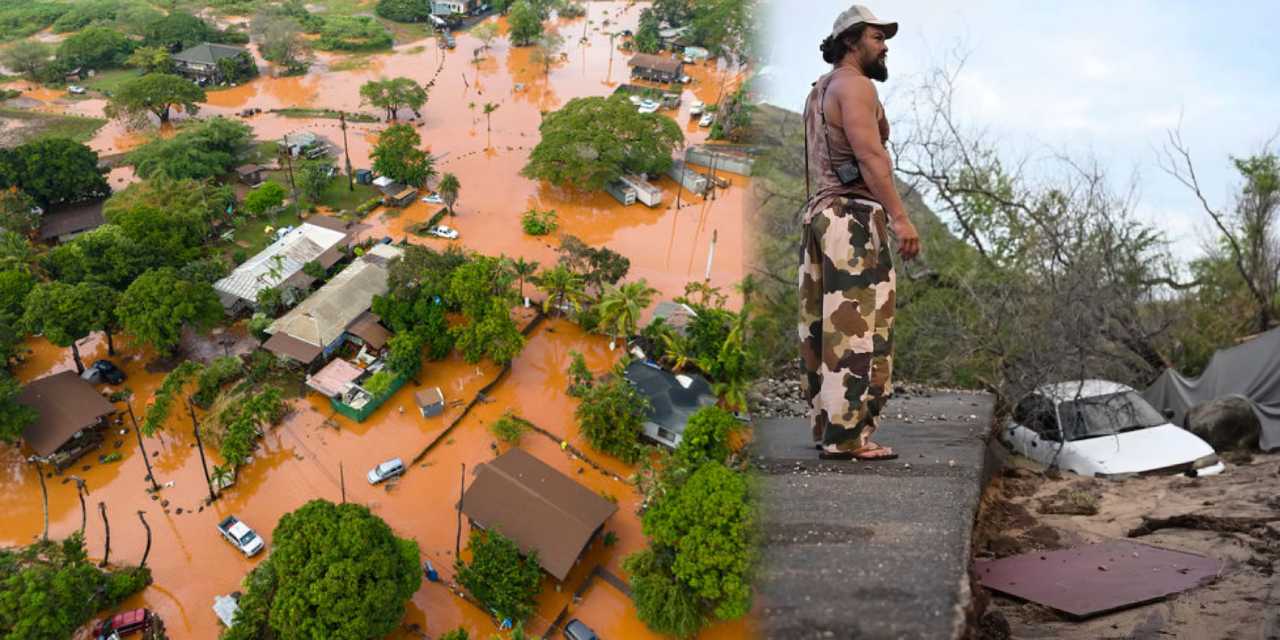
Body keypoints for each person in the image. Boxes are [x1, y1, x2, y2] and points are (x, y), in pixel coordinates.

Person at [798, 5, 921, 461]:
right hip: (850, 217)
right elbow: (871, 158)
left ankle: (826, 427)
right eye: (876, 37)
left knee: (819, 328)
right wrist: (900, 217)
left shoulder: (818, 91)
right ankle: (848, 437)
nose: (884, 45)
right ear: (852, 42)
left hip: (818, 217)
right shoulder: (855, 85)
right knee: (859, 328)